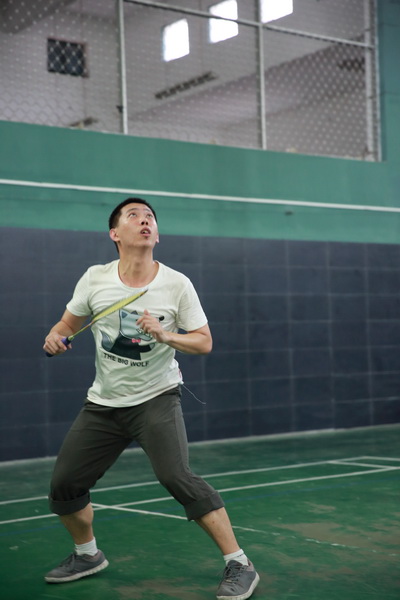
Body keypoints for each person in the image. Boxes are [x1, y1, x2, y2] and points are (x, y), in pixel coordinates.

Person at [43, 198, 260, 600]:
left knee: (177, 476)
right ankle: (87, 554)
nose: (144, 221)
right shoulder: (94, 278)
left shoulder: (177, 284)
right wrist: (56, 336)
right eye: (134, 216)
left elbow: (204, 342)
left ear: (156, 235)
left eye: (150, 218)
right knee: (65, 485)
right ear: (115, 233)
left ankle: (240, 563)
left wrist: (165, 335)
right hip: (104, 404)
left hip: (156, 398)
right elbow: (67, 324)